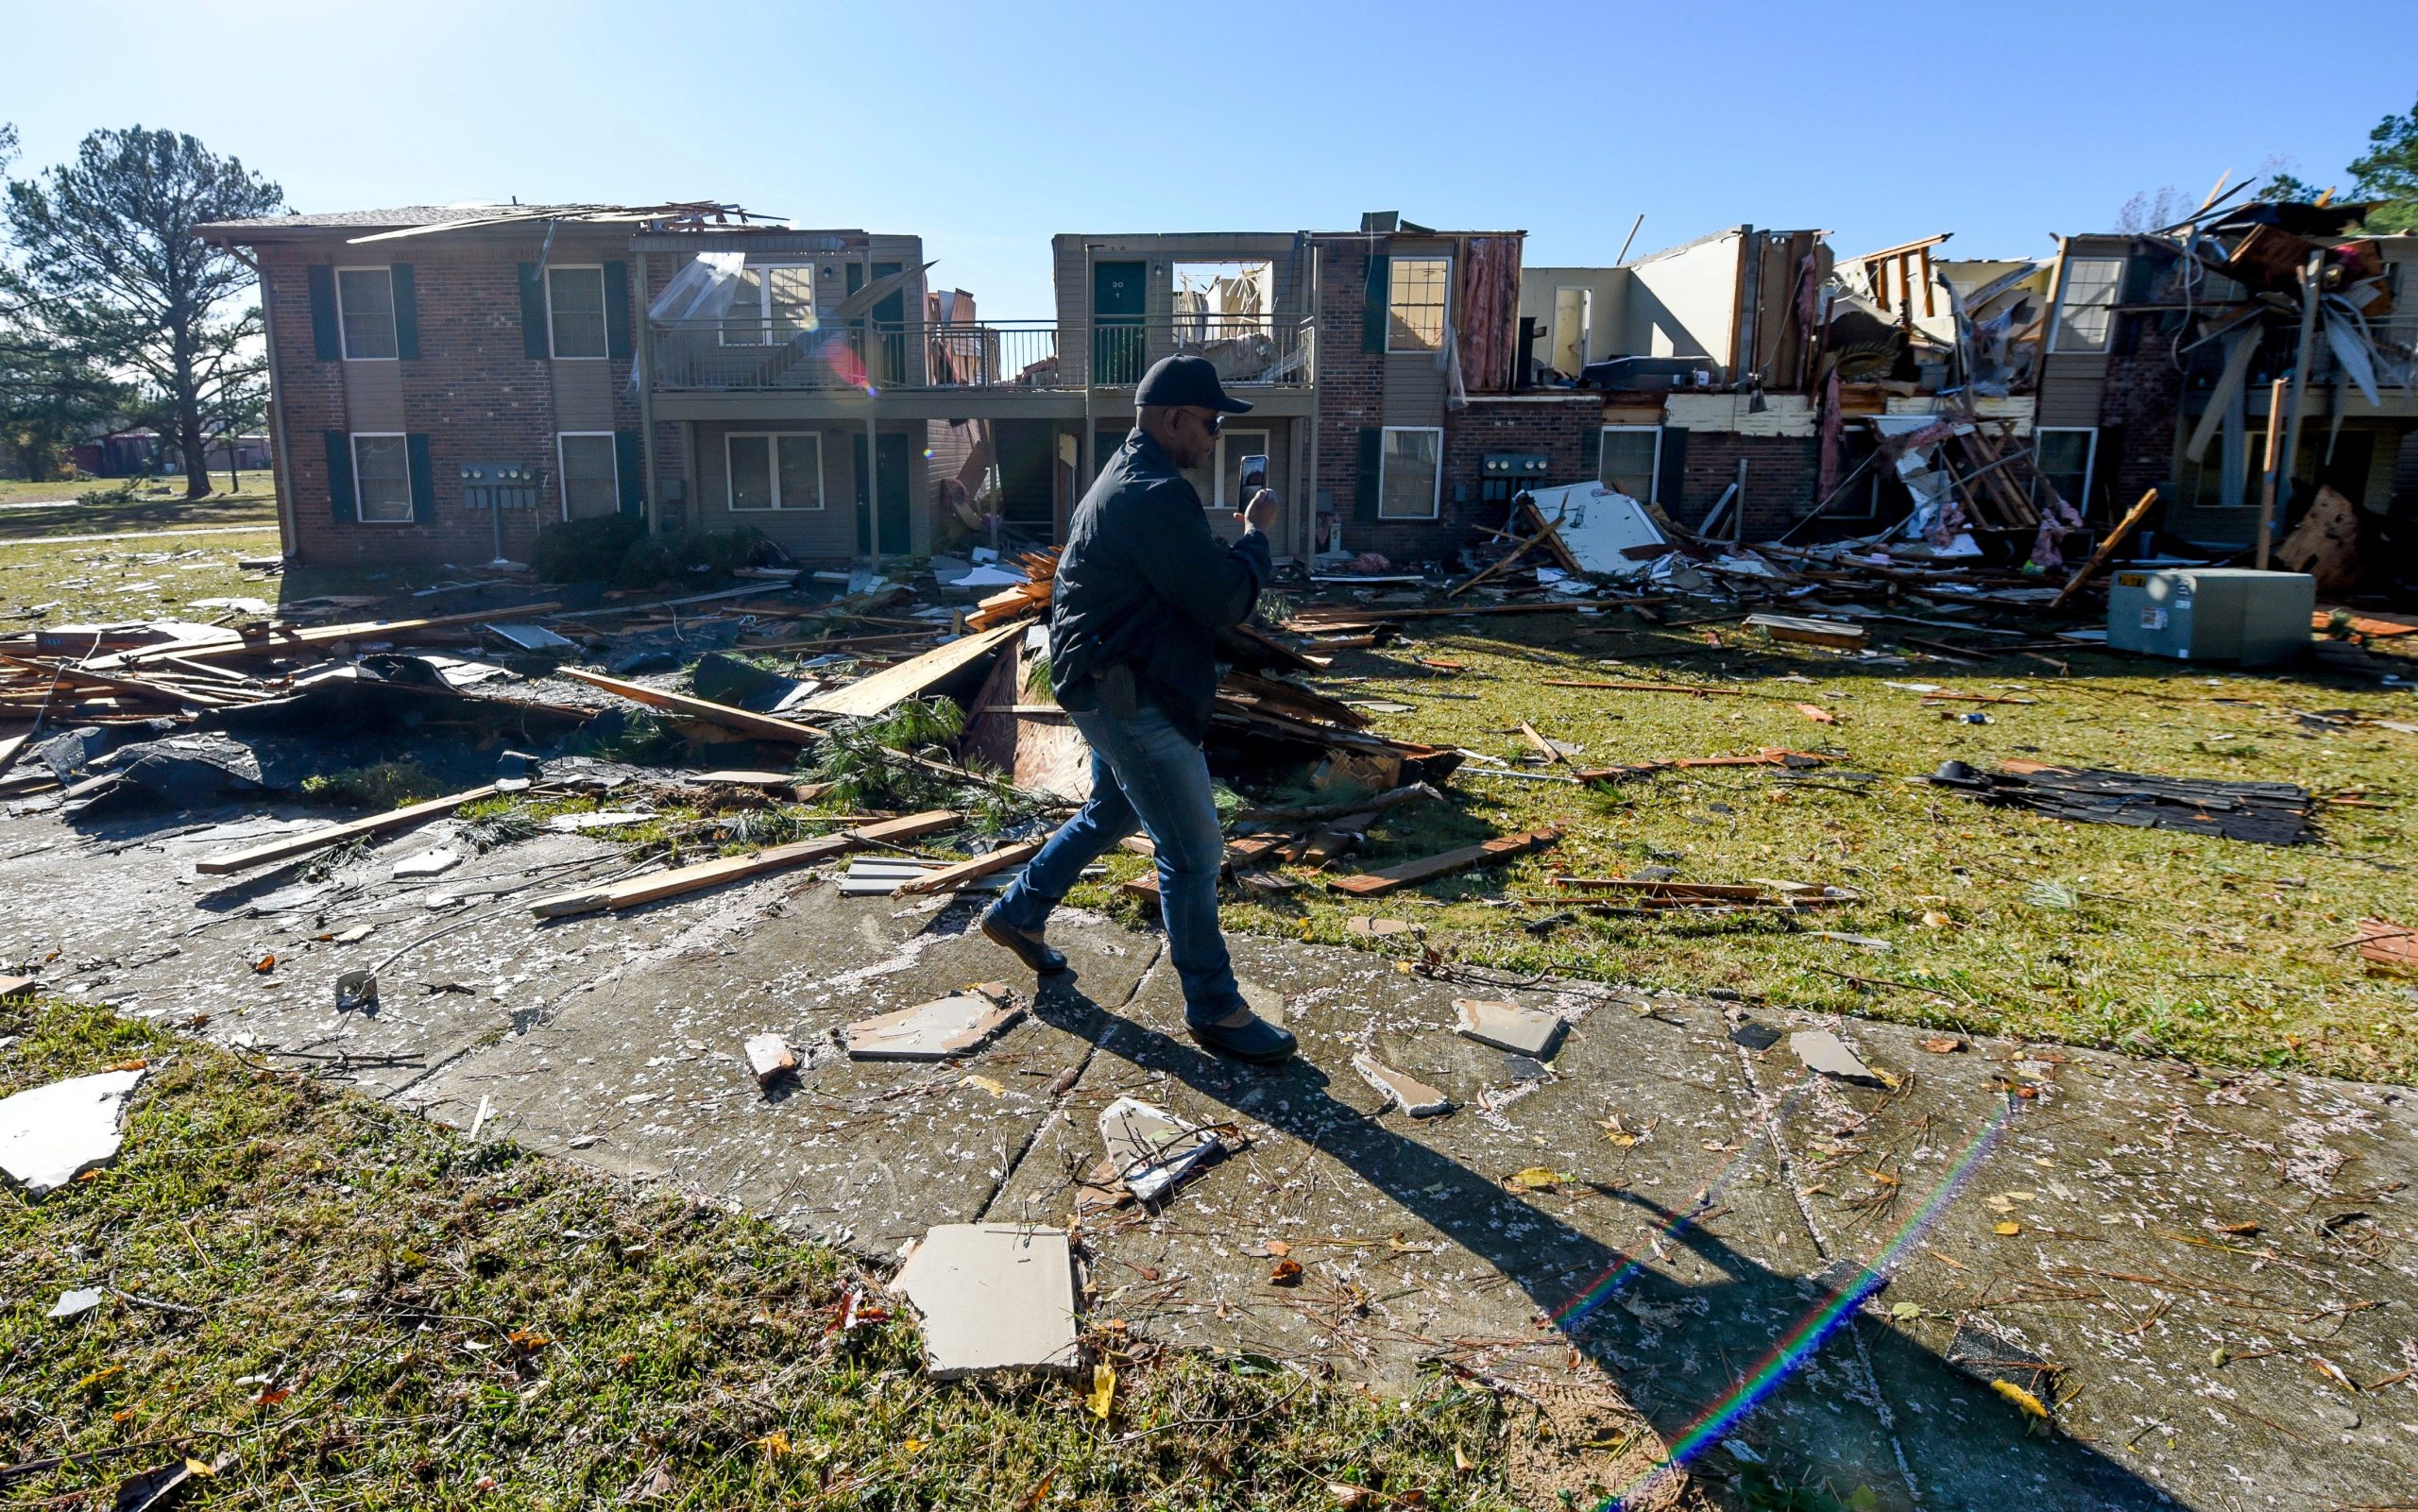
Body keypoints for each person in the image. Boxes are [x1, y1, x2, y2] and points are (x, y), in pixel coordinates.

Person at [980, 354, 1295, 1063]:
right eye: (1210, 423)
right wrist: (1255, 537)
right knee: (1191, 850)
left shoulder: (1131, 476)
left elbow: (1177, 576)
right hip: (1129, 695)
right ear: (1172, 418)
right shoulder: (1153, 491)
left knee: (1112, 812)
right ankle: (1215, 1007)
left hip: (1105, 683)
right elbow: (1221, 598)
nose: (1214, 438)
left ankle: (1019, 911)